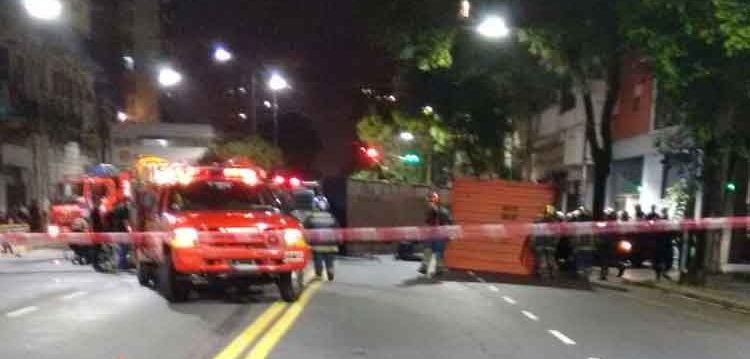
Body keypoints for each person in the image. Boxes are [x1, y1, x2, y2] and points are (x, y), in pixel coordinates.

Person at [418, 191, 452, 277]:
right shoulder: (441, 210)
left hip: (439, 234)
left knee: (435, 250)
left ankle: (431, 267)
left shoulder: (436, 210)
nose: (428, 203)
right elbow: (429, 222)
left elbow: (446, 222)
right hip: (435, 233)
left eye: (429, 201)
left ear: (433, 201)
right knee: (433, 250)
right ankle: (429, 267)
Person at [598, 208, 618, 280]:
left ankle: (603, 274)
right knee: (606, 259)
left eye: (605, 215)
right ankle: (604, 273)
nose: (604, 216)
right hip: (607, 243)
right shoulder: (608, 223)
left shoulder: (609, 223)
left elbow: (604, 233)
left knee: (605, 259)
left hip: (607, 243)